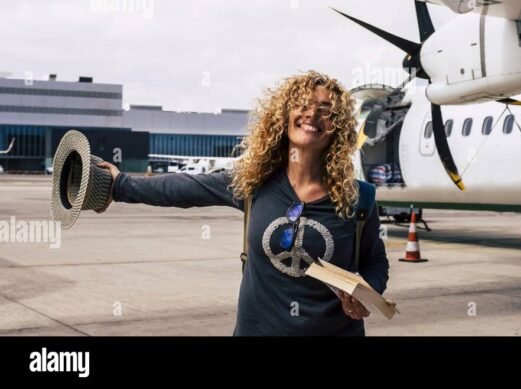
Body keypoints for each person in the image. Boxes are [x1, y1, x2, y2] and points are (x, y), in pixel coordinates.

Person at [96, 70, 389, 336]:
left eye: (325, 110)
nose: (312, 114)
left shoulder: (358, 198)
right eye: (302, 105)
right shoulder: (254, 184)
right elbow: (186, 187)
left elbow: (375, 261)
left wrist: (368, 291)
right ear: (284, 116)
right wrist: (120, 185)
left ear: (337, 127)